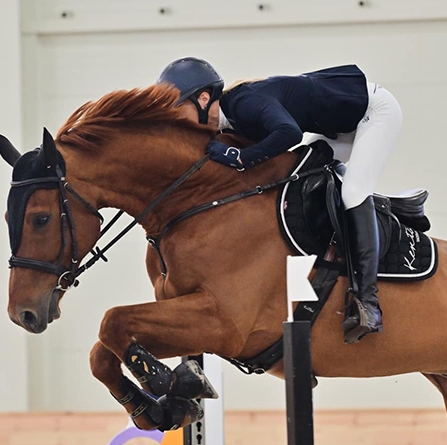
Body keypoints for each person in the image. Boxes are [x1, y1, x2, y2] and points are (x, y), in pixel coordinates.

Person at [157, 57, 403, 344]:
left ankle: (367, 302)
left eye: (177, 109)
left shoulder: (243, 102)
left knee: (353, 191)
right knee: (298, 173)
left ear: (202, 98)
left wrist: (241, 158)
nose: (175, 119)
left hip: (374, 112)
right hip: (339, 126)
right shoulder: (226, 124)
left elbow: (289, 133)